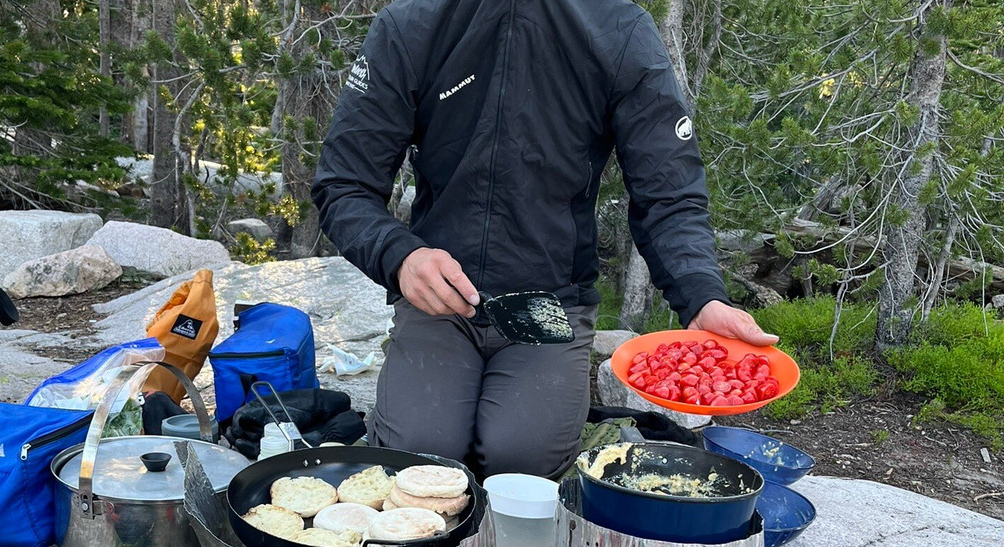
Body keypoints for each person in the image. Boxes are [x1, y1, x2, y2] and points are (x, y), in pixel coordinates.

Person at [312, 0, 777, 480]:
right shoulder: (413, 22)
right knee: (420, 457)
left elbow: (669, 192)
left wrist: (701, 295)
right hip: (439, 302)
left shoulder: (617, 27)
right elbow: (344, 184)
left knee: (522, 460)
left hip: (551, 303)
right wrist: (401, 256)